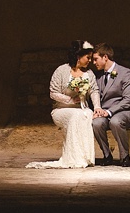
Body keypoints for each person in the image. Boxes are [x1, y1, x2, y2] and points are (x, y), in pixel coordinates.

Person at [26, 40, 103, 169]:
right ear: (78, 56)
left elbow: (94, 90)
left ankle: (84, 157)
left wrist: (97, 107)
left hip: (82, 108)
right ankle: (72, 158)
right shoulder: (61, 70)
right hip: (61, 110)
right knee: (76, 116)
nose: (89, 61)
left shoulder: (89, 74)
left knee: (87, 114)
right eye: (87, 57)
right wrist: (70, 100)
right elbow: (53, 93)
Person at [91, 44, 130, 167]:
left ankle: (124, 156)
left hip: (123, 112)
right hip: (105, 113)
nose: (93, 62)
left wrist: (109, 112)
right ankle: (107, 155)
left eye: (96, 59)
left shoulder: (126, 73)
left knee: (115, 121)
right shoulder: (98, 76)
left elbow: (128, 100)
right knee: (96, 123)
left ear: (105, 57)